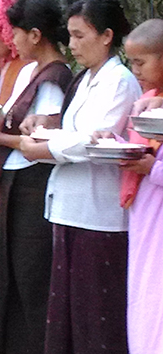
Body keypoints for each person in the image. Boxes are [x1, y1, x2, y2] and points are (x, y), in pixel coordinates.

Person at [20, 0, 140, 354]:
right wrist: (46, 124)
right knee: (69, 306)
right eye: (69, 36)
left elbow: (92, 139)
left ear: (106, 35)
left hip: (99, 213)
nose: (71, 45)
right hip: (70, 206)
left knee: (97, 310)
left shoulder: (119, 80)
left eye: (79, 36)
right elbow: (74, 128)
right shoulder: (86, 78)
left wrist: (45, 146)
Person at [0, 0, 73, 354]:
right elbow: (9, 119)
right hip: (14, 179)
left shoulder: (55, 77)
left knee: (32, 274)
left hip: (34, 183)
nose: (13, 40)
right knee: (9, 271)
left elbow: (38, 140)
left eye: (17, 33)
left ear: (36, 35)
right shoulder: (29, 70)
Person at [120, 19, 163, 354]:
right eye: (131, 62)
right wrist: (112, 142)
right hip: (144, 215)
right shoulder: (149, 100)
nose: (134, 70)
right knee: (144, 297)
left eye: (140, 62)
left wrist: (153, 168)